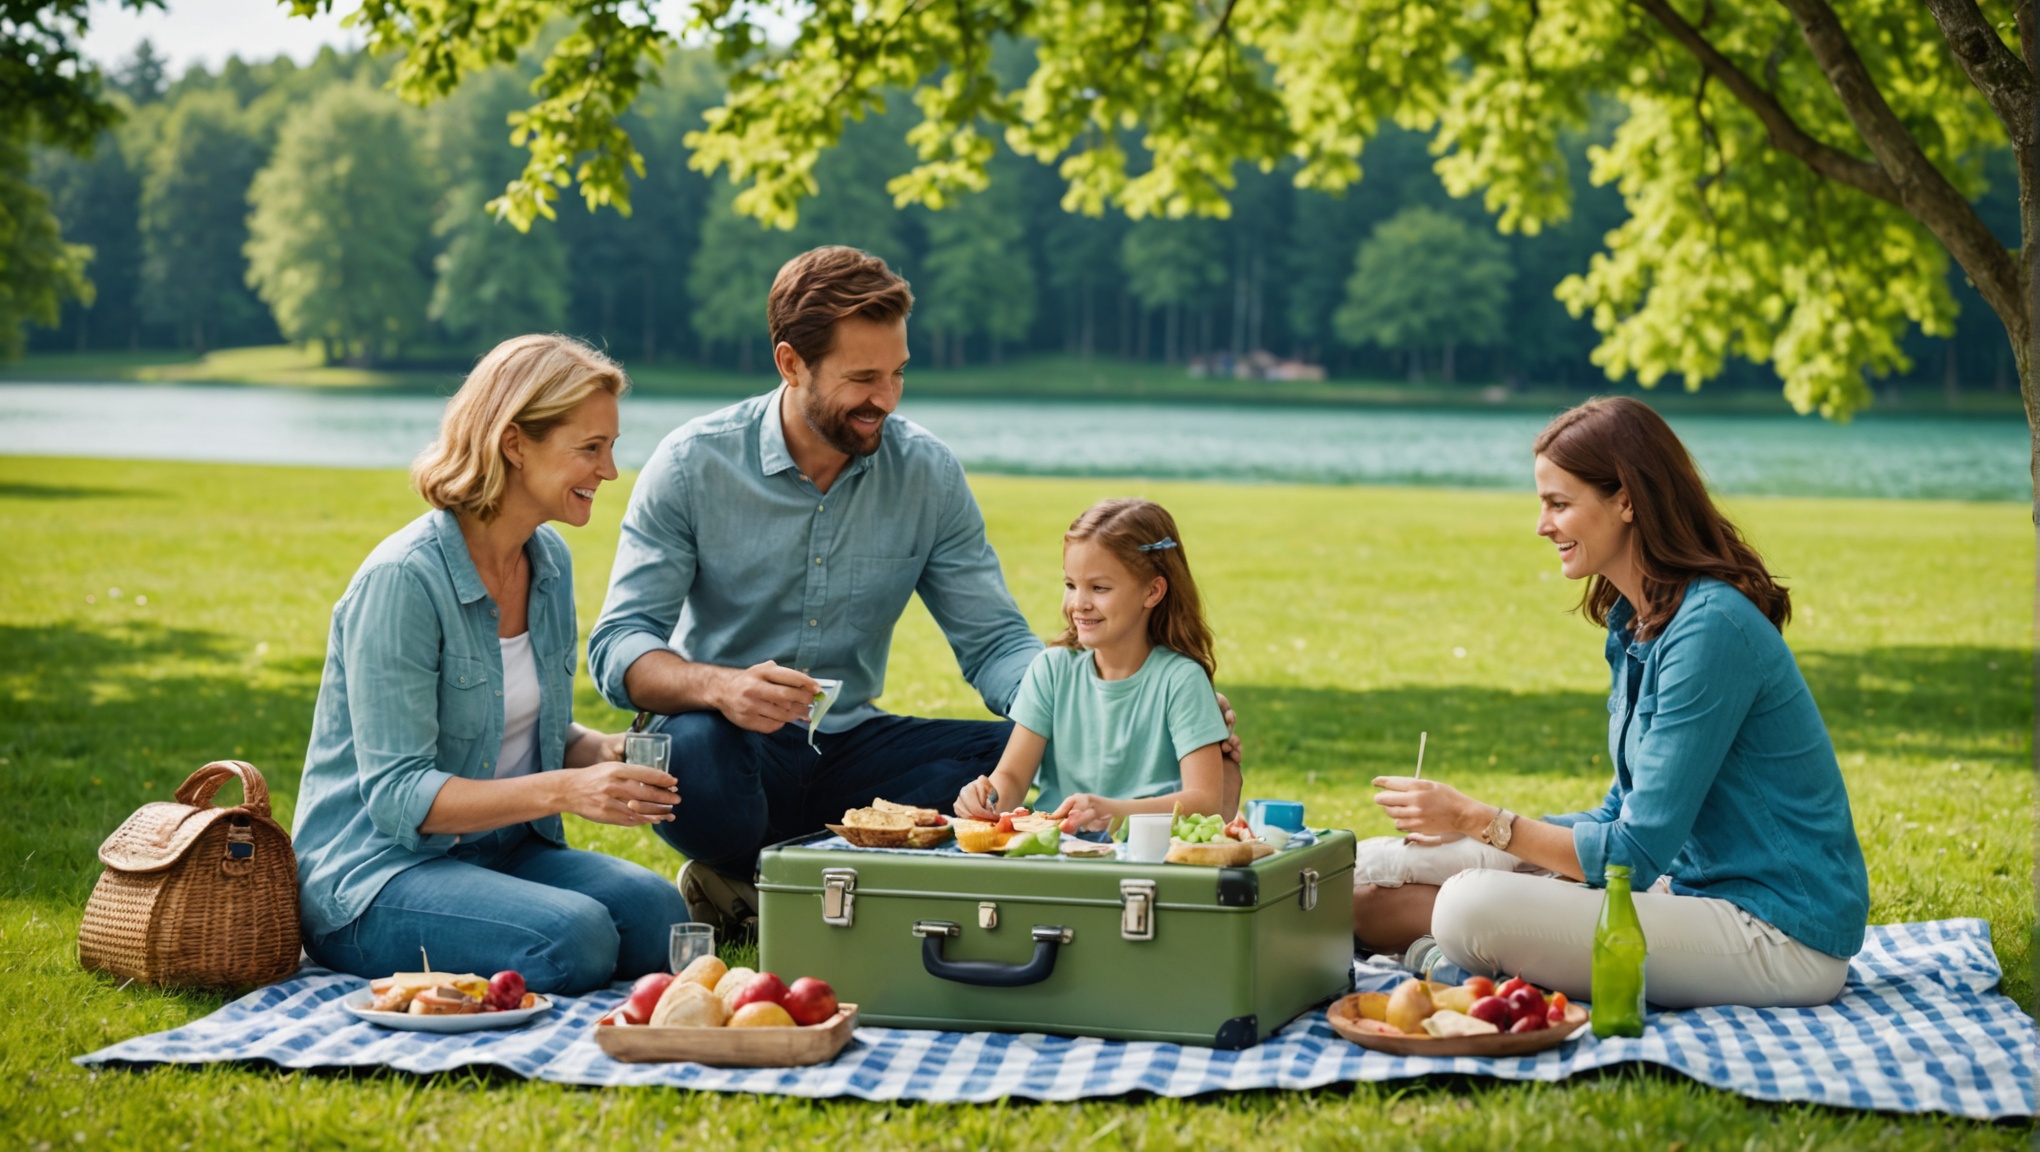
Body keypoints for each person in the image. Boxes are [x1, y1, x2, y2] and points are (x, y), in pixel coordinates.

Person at [588, 246, 1238, 930]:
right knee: (692, 752)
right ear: (791, 364)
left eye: (897, 374)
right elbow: (617, 645)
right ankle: (769, 866)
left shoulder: (926, 473)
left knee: (1009, 757)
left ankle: (774, 880)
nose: (886, 400)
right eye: (863, 378)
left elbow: (993, 644)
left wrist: (1104, 702)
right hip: (733, 746)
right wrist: (721, 688)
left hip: (852, 750)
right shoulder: (694, 464)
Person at [1350, 397, 1869, 1009]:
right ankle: (1438, 954)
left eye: (1559, 504)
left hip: (1780, 934)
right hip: (1691, 892)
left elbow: (1635, 853)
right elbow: (1621, 814)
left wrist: (1478, 820)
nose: (1542, 525)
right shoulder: (1639, 623)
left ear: (1626, 500)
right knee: (1367, 866)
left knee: (1469, 904)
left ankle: (1448, 964)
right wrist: (1486, 838)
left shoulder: (1710, 629)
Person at [293, 334, 688, 995]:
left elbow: (516, 730)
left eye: (611, 447)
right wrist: (568, 790)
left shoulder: (549, 562)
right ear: (514, 444)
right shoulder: (403, 581)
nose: (611, 471)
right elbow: (397, 796)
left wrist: (606, 751)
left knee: (660, 917)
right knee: (575, 937)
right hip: (379, 873)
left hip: (500, 851)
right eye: (590, 448)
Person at [955, 498, 1235, 829]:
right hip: (1058, 853)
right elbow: (1013, 778)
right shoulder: (1051, 670)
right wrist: (987, 797)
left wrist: (1112, 812)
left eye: (1099, 588)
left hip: (1150, 859)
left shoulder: (1182, 680)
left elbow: (1205, 801)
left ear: (1153, 591)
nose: (1079, 603)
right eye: (1071, 585)